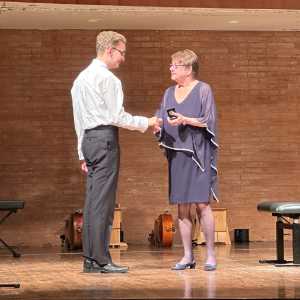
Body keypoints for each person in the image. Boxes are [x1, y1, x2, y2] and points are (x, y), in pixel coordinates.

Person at [71, 31, 158, 274]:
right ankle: (101, 259)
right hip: (104, 139)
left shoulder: (80, 78)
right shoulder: (108, 79)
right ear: (109, 50)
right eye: (121, 53)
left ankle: (90, 258)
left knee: (92, 202)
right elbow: (116, 117)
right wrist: (148, 122)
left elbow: (79, 120)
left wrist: (81, 152)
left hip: (89, 140)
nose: (122, 59)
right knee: (104, 203)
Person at [154, 49, 219, 271]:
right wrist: (157, 123)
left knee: (202, 204)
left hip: (198, 153)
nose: (170, 68)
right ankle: (187, 256)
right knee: (182, 207)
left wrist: (186, 119)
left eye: (175, 65)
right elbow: (163, 116)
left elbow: (208, 120)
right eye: (171, 65)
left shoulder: (203, 89)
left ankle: (210, 255)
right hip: (177, 154)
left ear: (188, 69)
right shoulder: (169, 92)